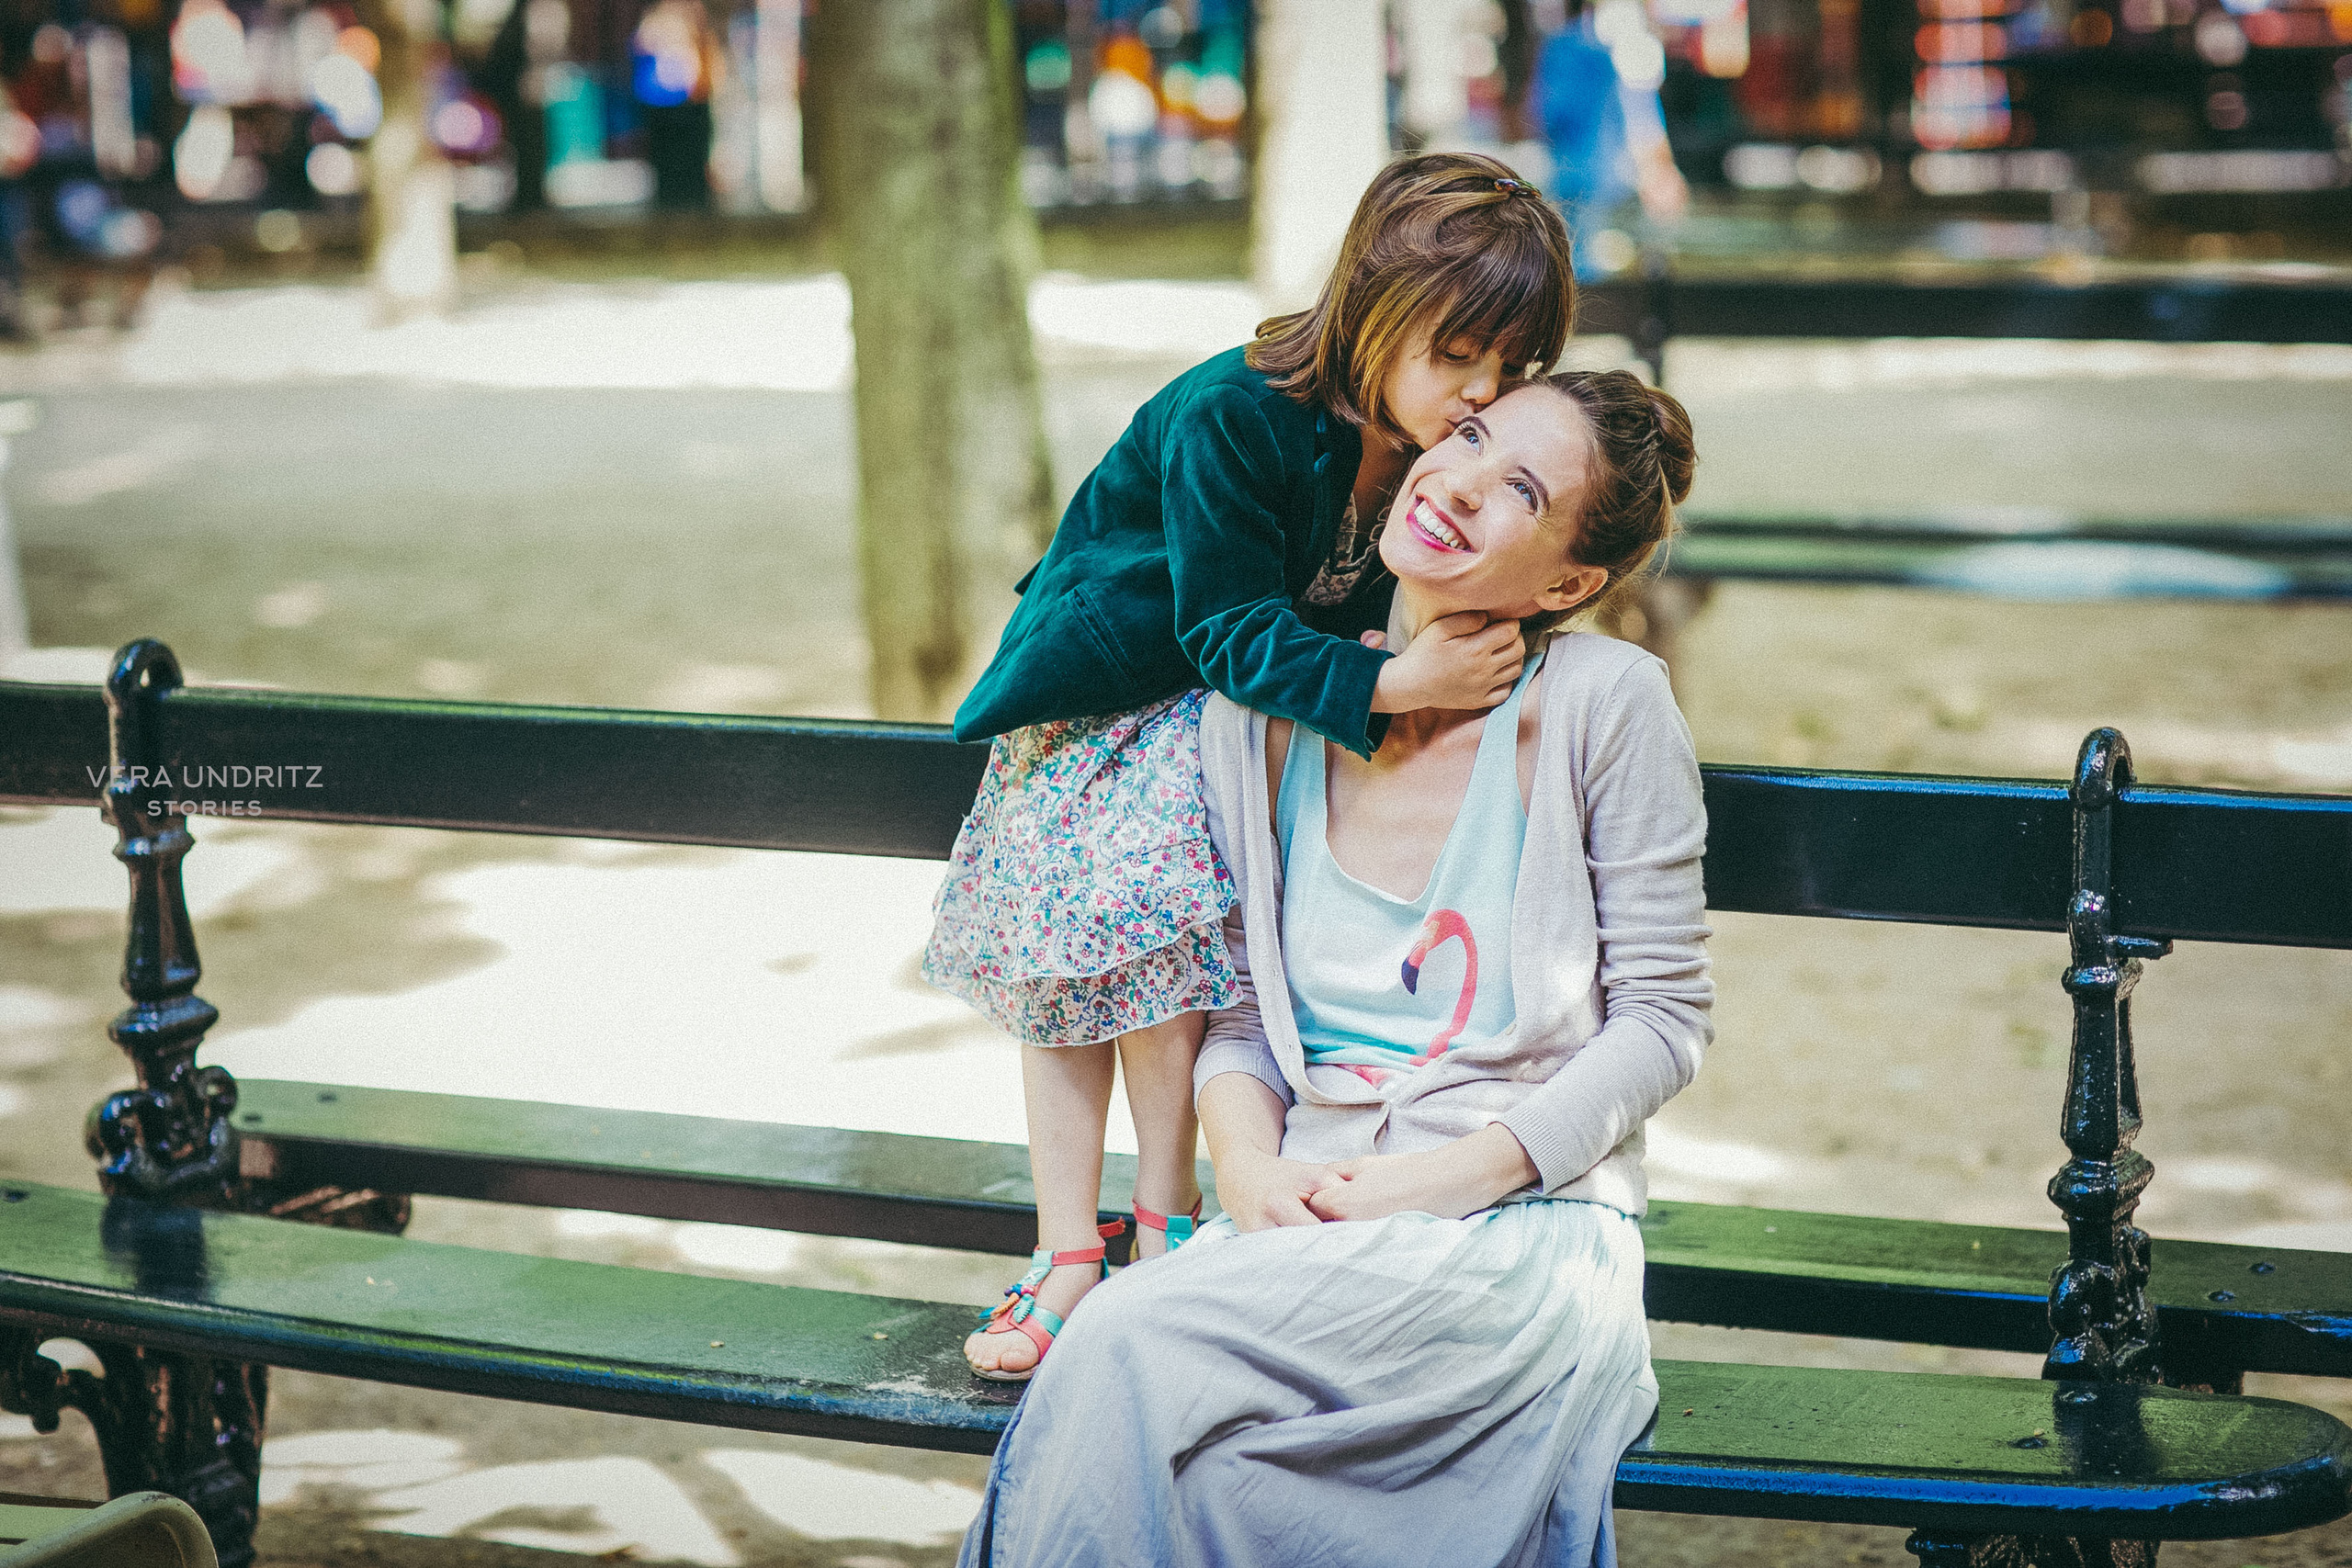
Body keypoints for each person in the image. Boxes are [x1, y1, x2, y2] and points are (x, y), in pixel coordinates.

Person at [956, 369, 1712, 1568]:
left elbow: (1664, 1021)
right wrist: (1247, 1165)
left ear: (1569, 581)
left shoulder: (1605, 705)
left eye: (1519, 486)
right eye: (1467, 435)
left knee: (1119, 1349)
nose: (1458, 479)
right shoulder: (1268, 710)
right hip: (1297, 1213)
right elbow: (1248, 1013)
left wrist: (1447, 1179)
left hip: (1516, 1231)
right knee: (1209, 1471)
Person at [927, 152, 1577, 1382]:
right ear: (1372, 305)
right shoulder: (1237, 409)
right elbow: (1224, 627)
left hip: (1236, 711)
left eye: (1507, 367)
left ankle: (1166, 1220)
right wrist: (1392, 686)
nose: (1478, 393)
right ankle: (1070, 1245)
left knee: (1192, 949)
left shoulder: (1424, 441)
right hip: (1115, 694)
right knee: (1084, 953)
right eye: (1456, 356)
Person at [1533, 0, 1690, 278]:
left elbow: (1543, 114)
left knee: (1574, 264)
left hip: (1577, 178)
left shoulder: (1562, 47)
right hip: (1601, 181)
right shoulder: (1605, 51)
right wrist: (1657, 170)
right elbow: (1642, 120)